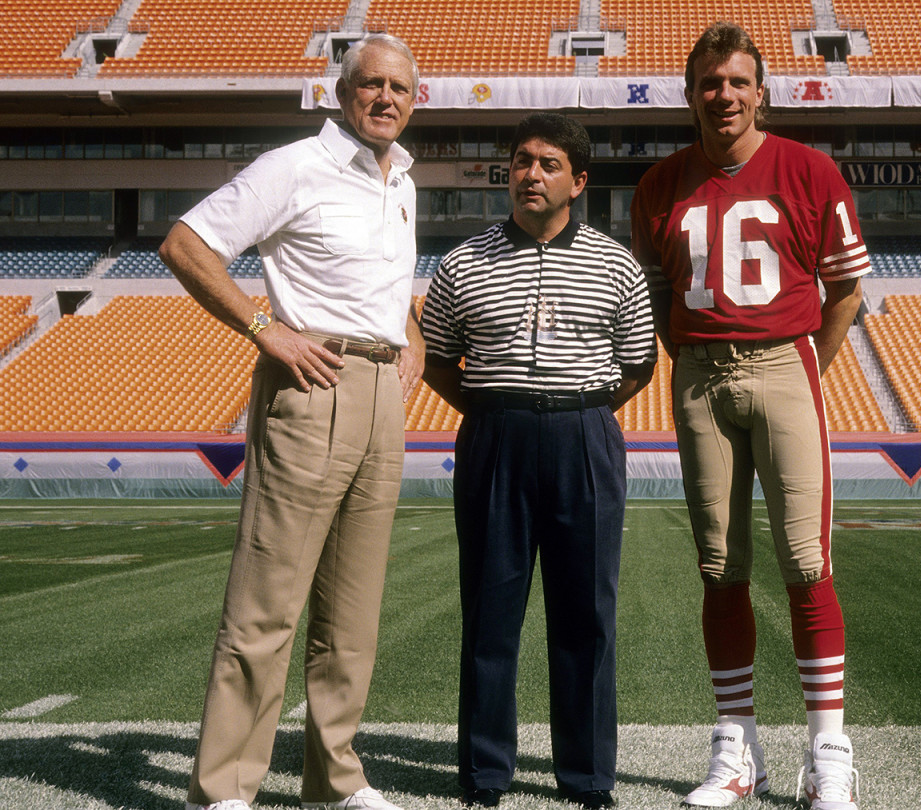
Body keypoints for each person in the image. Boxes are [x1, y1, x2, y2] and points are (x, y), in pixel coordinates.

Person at [158, 33, 423, 810]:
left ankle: (333, 779)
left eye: (399, 89)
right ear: (342, 94)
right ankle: (224, 787)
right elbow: (186, 243)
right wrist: (263, 325)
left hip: (380, 394)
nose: (385, 99)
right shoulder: (295, 166)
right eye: (371, 84)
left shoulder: (402, 177)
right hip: (310, 388)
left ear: (415, 101)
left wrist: (404, 330)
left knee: (354, 611)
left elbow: (372, 276)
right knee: (266, 603)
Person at [629, 22, 870, 810]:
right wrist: (700, 359)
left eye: (737, 82)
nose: (723, 95)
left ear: (761, 91)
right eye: (709, 82)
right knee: (719, 567)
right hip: (697, 372)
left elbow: (846, 294)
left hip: (784, 361)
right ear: (690, 93)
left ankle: (828, 750)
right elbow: (661, 299)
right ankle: (738, 750)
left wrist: (803, 372)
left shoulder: (808, 170)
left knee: (806, 560)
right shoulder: (659, 185)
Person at [421, 113, 657, 810]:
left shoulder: (617, 264)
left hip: (585, 434)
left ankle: (586, 775)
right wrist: (502, 408)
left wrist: (577, 409)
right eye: (521, 161)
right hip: (495, 436)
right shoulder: (462, 263)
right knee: (491, 614)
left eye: (548, 163)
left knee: (585, 614)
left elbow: (638, 364)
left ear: (578, 181)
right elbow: (437, 360)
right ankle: (486, 773)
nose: (530, 174)